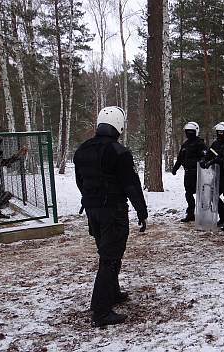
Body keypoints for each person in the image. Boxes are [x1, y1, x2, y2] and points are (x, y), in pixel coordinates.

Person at [73, 106, 148, 328]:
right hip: (113, 211)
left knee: (108, 253)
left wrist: (90, 201)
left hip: (92, 210)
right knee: (110, 258)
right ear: (119, 125)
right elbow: (131, 186)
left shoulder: (82, 150)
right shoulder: (119, 152)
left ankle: (112, 292)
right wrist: (142, 212)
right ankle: (101, 310)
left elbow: (81, 182)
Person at [200, 122, 224, 230]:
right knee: (213, 195)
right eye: (218, 132)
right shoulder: (215, 144)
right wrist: (204, 160)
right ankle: (223, 217)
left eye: (222, 132)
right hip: (217, 174)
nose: (219, 134)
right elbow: (209, 154)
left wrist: (214, 161)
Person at [172, 122, 207, 223]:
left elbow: (205, 156)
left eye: (191, 132)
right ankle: (191, 213)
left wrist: (201, 163)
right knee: (188, 194)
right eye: (187, 132)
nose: (189, 133)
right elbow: (180, 158)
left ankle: (203, 214)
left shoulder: (200, 144)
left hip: (198, 173)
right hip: (188, 173)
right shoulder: (185, 145)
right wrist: (175, 168)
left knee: (201, 194)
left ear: (196, 132)